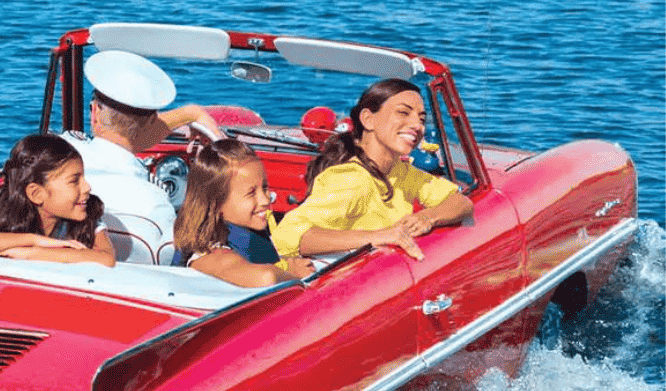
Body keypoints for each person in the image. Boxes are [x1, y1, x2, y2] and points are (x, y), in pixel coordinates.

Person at [273, 78, 474, 261]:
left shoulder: (400, 171)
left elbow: (460, 202)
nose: (417, 125)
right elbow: (287, 236)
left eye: (421, 119)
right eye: (403, 112)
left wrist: (428, 217)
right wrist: (382, 235)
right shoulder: (351, 179)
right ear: (368, 119)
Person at [61, 50, 224, 262]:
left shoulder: (61, 152)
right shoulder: (156, 203)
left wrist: (189, 114)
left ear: (94, 114)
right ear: (150, 124)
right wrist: (193, 115)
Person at [0, 134, 116, 267]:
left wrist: (33, 253)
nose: (87, 187)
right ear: (36, 194)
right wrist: (33, 240)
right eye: (74, 181)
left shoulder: (87, 212)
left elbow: (107, 259)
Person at [173, 139, 314, 288]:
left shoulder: (245, 233)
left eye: (264, 188)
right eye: (251, 193)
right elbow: (266, 277)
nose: (265, 199)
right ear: (217, 203)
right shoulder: (208, 255)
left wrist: (285, 263)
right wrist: (290, 272)